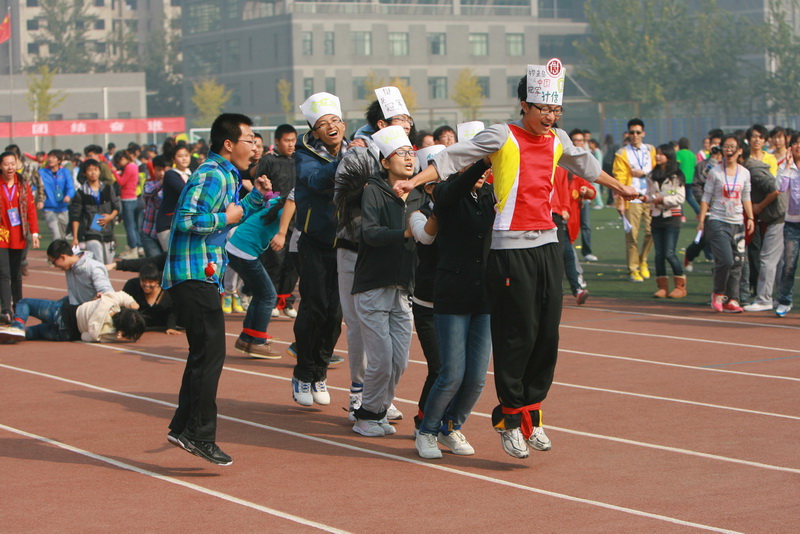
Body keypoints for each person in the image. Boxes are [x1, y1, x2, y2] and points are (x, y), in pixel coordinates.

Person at [395, 67, 637, 458]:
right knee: (516, 334)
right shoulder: (501, 135)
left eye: (556, 109)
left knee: (546, 334)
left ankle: (531, 415)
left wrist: (621, 186)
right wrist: (414, 180)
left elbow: (586, 166)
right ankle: (508, 418)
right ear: (524, 105)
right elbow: (453, 158)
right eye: (544, 108)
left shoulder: (557, 139)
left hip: (547, 244)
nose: (551, 116)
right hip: (509, 249)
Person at [162, 112, 272, 466]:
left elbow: (234, 215)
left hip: (200, 273)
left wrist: (256, 199)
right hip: (192, 274)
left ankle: (183, 427)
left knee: (203, 355)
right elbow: (187, 219)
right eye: (249, 139)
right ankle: (199, 434)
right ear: (228, 143)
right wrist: (227, 217)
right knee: (210, 355)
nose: (254, 145)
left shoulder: (227, 175)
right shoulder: (212, 174)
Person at [334, 92, 414, 423]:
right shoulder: (357, 157)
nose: (408, 125)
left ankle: (378, 397)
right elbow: (341, 204)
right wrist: (374, 229)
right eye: (401, 120)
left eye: (409, 120)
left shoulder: (410, 157)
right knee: (359, 327)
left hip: (393, 259)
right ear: (381, 124)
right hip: (356, 251)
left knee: (394, 341)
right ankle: (360, 394)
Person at [350, 126, 428, 437]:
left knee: (400, 361)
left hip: (403, 287)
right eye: (401, 153)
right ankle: (366, 415)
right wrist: (406, 233)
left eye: (412, 152)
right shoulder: (374, 191)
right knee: (381, 359)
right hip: (372, 286)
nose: (409, 158)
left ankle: (379, 410)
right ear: (385, 162)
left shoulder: (420, 193)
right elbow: (369, 233)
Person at [414, 159, 493, 458]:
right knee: (451, 374)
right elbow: (452, 192)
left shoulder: (491, 195)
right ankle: (427, 430)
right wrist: (479, 162)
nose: (483, 171)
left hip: (484, 294)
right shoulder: (446, 193)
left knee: (476, 378)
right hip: (451, 292)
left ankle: (451, 427)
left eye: (487, 165)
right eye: (477, 164)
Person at [290, 92, 349, 408]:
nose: (331, 126)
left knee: (335, 313)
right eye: (324, 123)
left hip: (346, 243)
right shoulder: (304, 155)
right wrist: (344, 161)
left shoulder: (353, 149)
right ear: (314, 131)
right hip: (313, 242)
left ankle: (320, 371)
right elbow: (315, 181)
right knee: (314, 308)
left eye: (335, 121)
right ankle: (303, 372)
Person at [698, 134, 754, 313]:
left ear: (739, 151)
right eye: (726, 147)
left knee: (738, 262)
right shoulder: (715, 172)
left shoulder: (744, 173)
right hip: (717, 221)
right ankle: (718, 293)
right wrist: (701, 220)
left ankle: (733, 299)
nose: (728, 150)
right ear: (721, 150)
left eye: (732, 147)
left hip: (737, 222)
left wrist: (750, 218)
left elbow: (746, 197)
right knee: (726, 260)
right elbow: (706, 197)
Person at [224, 196, 284, 359]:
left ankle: (247, 338)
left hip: (237, 248)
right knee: (268, 295)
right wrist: (282, 234)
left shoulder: (276, 201)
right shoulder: (285, 210)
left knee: (260, 294)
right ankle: (256, 341)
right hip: (243, 251)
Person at [254, 124, 299, 319]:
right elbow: (259, 187)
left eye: (293, 140)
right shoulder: (268, 161)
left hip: (297, 219)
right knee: (274, 261)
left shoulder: (300, 160)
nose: (291, 145)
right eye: (287, 141)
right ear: (277, 142)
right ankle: (271, 301)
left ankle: (286, 301)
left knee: (293, 263)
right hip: (274, 218)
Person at [0, 291, 145, 344]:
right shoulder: (108, 335)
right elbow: (86, 337)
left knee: (25, 303)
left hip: (62, 313)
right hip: (66, 334)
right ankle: (19, 333)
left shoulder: (108, 302)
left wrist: (132, 302)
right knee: (35, 332)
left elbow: (122, 295)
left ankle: (17, 327)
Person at [741, 143, 786, 312]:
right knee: (778, 261)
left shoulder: (753, 171)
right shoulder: (752, 168)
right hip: (777, 216)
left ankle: (764, 299)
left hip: (777, 215)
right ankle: (781, 298)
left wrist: (759, 206)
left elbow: (776, 189)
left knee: (767, 259)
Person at [613, 118, 656, 282]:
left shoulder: (651, 150)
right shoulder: (622, 153)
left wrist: (644, 174)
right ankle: (633, 269)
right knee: (632, 236)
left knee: (652, 232)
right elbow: (619, 178)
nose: (635, 135)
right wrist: (620, 202)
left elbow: (658, 170)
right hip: (632, 199)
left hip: (650, 198)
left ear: (643, 133)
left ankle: (643, 260)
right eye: (632, 132)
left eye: (638, 132)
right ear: (628, 134)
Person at [0, 151, 40, 324]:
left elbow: (31, 210)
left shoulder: (23, 184)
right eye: (6, 164)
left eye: (12, 163)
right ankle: (6, 310)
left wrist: (35, 233)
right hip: (1, 233)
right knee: (3, 273)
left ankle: (19, 308)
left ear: (17, 164)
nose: (10, 167)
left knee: (16, 273)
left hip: (18, 233)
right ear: (0, 166)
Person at [644, 144, 687, 298]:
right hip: (656, 217)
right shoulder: (651, 175)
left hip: (672, 218)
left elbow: (680, 198)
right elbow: (650, 195)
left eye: (662, 154)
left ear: (669, 157)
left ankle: (680, 286)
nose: (658, 156)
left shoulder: (676, 176)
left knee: (669, 252)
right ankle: (662, 286)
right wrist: (646, 198)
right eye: (657, 154)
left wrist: (664, 200)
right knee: (659, 254)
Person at [69, 159, 120, 264]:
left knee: (108, 263)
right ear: (84, 173)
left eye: (95, 169)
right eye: (90, 170)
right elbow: (76, 216)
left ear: (100, 172)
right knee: (98, 262)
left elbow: (117, 207)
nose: (93, 172)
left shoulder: (108, 189)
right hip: (91, 233)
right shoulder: (81, 193)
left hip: (108, 233)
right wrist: (75, 237)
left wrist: (110, 217)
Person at [775, 132, 800, 317]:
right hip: (792, 223)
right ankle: (785, 300)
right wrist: (789, 166)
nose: (799, 146)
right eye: (796, 143)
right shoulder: (786, 166)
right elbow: (780, 188)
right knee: (789, 264)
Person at [47, 239, 113, 305]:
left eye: (54, 262)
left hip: (94, 310)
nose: (55, 266)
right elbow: (72, 294)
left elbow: (108, 294)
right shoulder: (70, 268)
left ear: (62, 257)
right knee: (53, 306)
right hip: (78, 309)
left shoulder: (94, 268)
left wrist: (93, 304)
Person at [122, 263, 179, 334]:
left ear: (157, 281)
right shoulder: (132, 285)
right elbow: (122, 303)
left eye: (150, 282)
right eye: (143, 281)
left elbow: (173, 309)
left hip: (162, 323)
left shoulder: (168, 290)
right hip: (139, 324)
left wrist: (171, 327)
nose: (146, 285)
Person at [155, 141, 192, 251]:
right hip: (168, 223)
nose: (184, 158)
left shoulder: (193, 173)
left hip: (185, 223)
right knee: (172, 258)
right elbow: (185, 192)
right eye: (180, 156)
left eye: (186, 155)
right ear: (174, 159)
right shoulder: (171, 174)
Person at [39, 149, 75, 241]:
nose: (50, 159)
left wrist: (68, 196)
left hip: (63, 207)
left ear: (59, 160)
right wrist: (39, 200)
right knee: (56, 235)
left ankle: (58, 253)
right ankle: (56, 254)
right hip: (49, 208)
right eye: (49, 157)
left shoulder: (65, 172)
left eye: (54, 157)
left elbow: (71, 187)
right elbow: (37, 187)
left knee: (62, 236)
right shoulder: (42, 172)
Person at [113, 150, 143, 258]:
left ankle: (133, 248)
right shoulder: (133, 166)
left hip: (128, 198)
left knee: (129, 226)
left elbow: (121, 182)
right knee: (133, 225)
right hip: (132, 197)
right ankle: (137, 247)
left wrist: (114, 172)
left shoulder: (130, 167)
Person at [676, 138, 700, 216]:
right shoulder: (692, 154)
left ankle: (681, 215)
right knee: (689, 197)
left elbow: (677, 165)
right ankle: (698, 212)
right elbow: (695, 166)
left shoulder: (678, 153)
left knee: (679, 196)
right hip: (690, 179)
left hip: (681, 179)